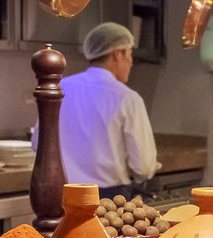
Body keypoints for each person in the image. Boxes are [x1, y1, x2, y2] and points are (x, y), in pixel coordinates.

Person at [32, 22, 158, 200]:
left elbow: (37, 142)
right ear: (117, 53)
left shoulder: (60, 87)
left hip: (61, 194)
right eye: (130, 55)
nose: (131, 63)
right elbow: (144, 166)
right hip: (109, 198)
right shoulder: (127, 98)